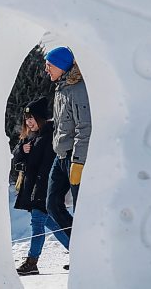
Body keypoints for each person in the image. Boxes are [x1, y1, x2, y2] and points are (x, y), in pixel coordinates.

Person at [12, 97, 70, 276]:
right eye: (26, 119)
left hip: (43, 189)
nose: (29, 122)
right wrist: (22, 150)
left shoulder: (49, 136)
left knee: (37, 224)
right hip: (33, 188)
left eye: (32, 118)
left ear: (41, 118)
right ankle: (80, 253)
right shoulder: (31, 137)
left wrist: (42, 191)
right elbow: (15, 157)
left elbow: (46, 168)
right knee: (52, 224)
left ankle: (32, 262)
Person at [45, 46, 92, 243]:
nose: (46, 69)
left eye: (49, 65)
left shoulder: (78, 90)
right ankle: (78, 247)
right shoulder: (61, 89)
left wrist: (79, 162)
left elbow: (85, 127)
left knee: (81, 210)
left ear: (61, 66)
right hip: (61, 155)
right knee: (52, 205)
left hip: (74, 157)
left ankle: (87, 252)